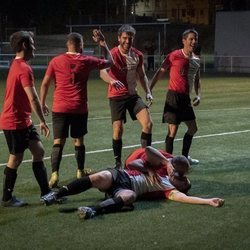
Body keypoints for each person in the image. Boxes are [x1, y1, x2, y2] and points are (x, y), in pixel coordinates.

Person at [40, 146, 225, 220]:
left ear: (180, 187)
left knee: (130, 197)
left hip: (125, 188)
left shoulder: (168, 189)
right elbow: (148, 150)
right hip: (122, 176)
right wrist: (160, 165)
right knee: (99, 177)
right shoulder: (163, 170)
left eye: (184, 181)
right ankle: (55, 195)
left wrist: (208, 201)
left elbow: (185, 199)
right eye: (184, 176)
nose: (183, 178)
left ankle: (92, 210)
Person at [40, 30, 114, 188]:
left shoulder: (55, 61)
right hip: (79, 108)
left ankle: (54, 175)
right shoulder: (86, 60)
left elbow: (45, 83)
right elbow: (109, 62)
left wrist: (42, 102)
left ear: (67, 44)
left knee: (58, 141)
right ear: (81, 45)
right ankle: (80, 171)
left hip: (60, 107)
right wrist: (102, 43)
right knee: (78, 140)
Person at [0, 31, 53, 207]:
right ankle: (7, 198)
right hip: (14, 121)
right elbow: (33, 98)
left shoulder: (18, 65)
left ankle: (46, 193)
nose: (34, 46)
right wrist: (43, 121)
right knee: (15, 159)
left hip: (23, 120)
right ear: (24, 45)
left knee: (38, 152)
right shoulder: (23, 68)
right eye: (32, 43)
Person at [99, 24, 153, 169]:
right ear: (119, 38)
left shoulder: (138, 55)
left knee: (148, 124)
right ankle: (118, 163)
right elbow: (102, 72)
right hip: (116, 96)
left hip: (133, 96)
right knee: (118, 129)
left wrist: (148, 91)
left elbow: (142, 76)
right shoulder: (112, 54)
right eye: (124, 38)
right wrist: (111, 80)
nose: (127, 41)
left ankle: (146, 158)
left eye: (130, 38)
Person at [150, 29, 201, 165]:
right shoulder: (174, 55)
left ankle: (184, 159)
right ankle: (169, 162)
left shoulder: (196, 60)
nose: (193, 41)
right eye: (190, 39)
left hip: (186, 99)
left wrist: (198, 95)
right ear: (183, 40)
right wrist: (149, 89)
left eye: (195, 39)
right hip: (173, 97)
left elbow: (196, 79)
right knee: (172, 132)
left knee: (193, 128)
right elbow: (160, 72)